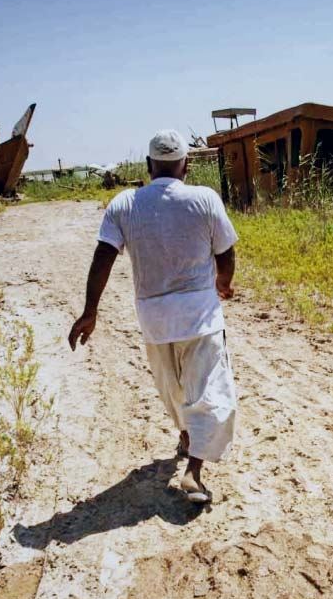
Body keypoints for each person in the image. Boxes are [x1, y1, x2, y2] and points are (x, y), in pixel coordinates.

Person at [68, 129, 238, 503]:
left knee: (172, 388)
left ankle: (186, 436)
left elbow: (103, 256)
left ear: (148, 165)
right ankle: (193, 471)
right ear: (186, 165)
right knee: (208, 390)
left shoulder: (125, 204)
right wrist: (223, 282)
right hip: (199, 317)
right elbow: (225, 252)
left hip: (155, 319)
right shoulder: (205, 199)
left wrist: (90, 310)